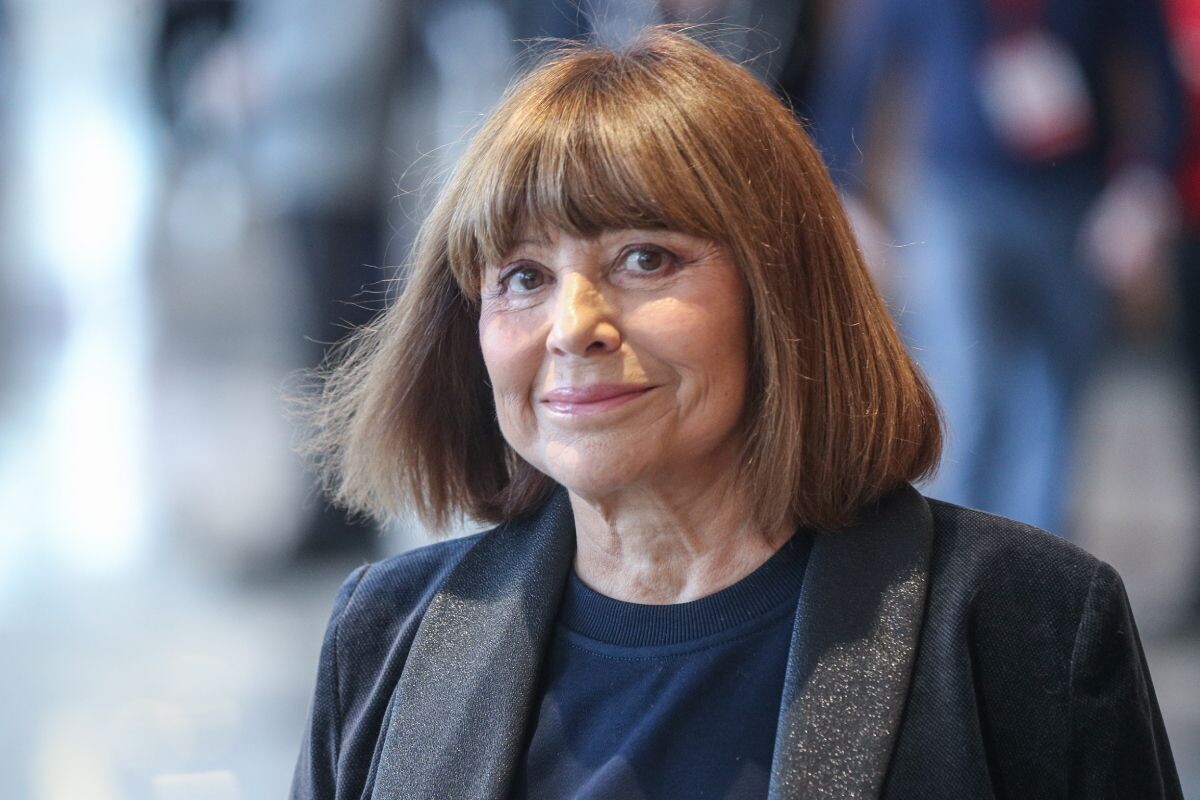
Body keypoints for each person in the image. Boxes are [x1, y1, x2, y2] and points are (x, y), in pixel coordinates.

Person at [292, 28, 1181, 799]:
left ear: (781, 297)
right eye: (523, 276)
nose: (572, 326)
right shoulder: (387, 635)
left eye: (645, 259)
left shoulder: (1029, 627)